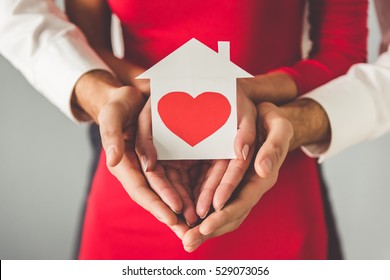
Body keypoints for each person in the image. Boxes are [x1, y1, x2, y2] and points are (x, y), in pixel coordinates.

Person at [66, 0, 368, 259]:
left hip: (272, 172)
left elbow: (342, 51)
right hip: (136, 173)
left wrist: (246, 91)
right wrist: (150, 90)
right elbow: (86, 45)